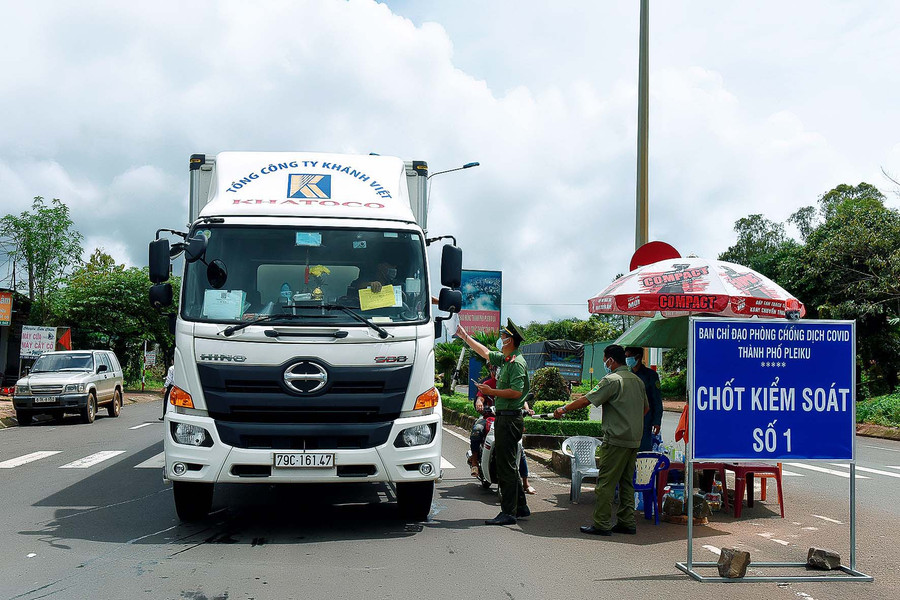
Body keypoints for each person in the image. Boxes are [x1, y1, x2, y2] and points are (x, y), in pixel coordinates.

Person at [553, 344, 648, 536]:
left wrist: (563, 409)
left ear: (611, 360)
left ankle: (602, 523)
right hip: (634, 440)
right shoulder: (637, 381)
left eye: (605, 360)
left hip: (616, 440)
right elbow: (645, 409)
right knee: (627, 482)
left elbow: (587, 400)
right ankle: (626, 521)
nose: (604, 363)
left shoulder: (611, 380)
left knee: (605, 482)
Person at [457, 318, 530, 526]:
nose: (501, 338)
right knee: (508, 464)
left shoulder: (516, 363)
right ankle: (521, 506)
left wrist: (491, 392)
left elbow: (515, 392)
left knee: (505, 466)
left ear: (510, 341)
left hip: (509, 419)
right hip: (504, 418)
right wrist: (465, 337)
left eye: (504, 336)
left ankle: (508, 512)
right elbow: (486, 353)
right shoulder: (507, 360)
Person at [469, 365, 536, 494]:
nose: (498, 372)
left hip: (509, 420)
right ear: (492, 371)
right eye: (495, 370)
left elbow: (520, 399)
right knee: (477, 429)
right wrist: (479, 403)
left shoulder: (512, 384)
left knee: (519, 448)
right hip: (489, 418)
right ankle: (474, 462)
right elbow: (480, 397)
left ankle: (525, 483)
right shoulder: (487, 384)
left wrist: (527, 409)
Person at [624, 347, 663, 451]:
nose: (627, 359)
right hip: (627, 420)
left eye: (629, 356)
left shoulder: (650, 375)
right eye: (626, 356)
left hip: (645, 420)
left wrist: (657, 421)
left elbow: (656, 399)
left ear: (638, 357)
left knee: (643, 451)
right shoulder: (626, 374)